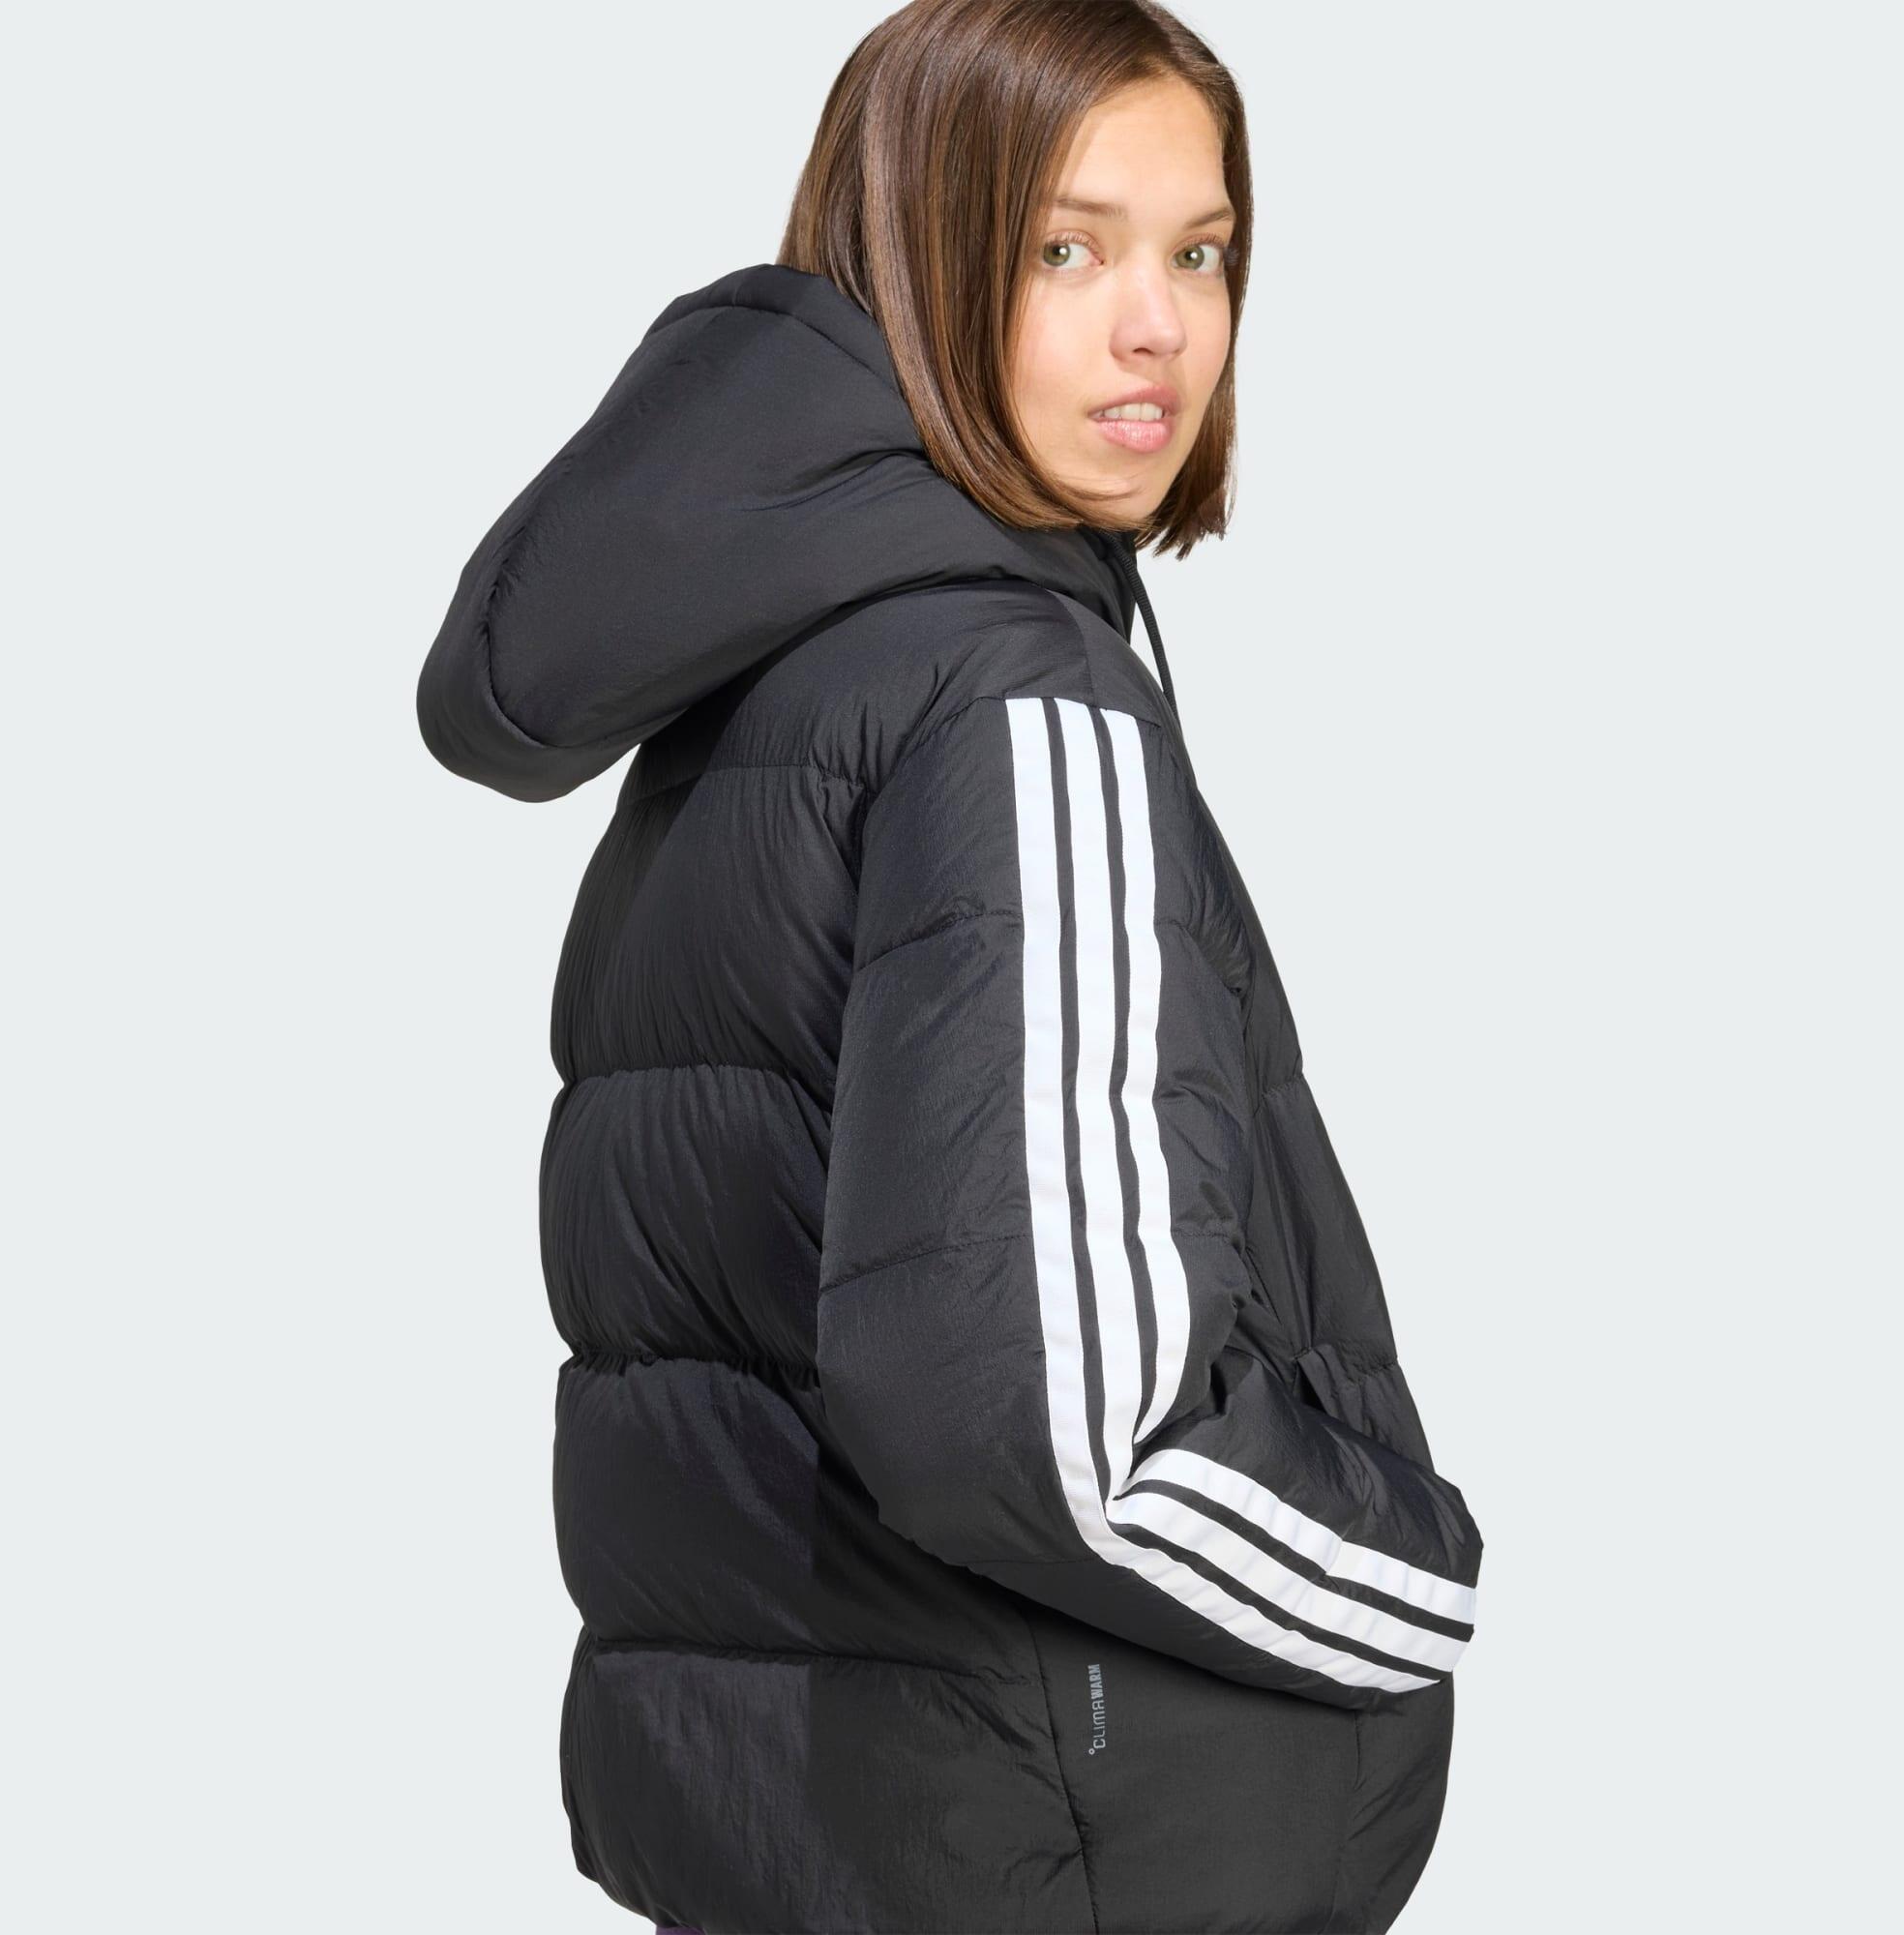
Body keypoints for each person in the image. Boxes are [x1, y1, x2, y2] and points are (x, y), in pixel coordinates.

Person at [416, 2, 1483, 1929]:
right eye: (1066, 248)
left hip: (824, 1818)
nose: (1157, 327)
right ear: (913, 258)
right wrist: (1403, 1582)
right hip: (1069, 1844)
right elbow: (1057, 1441)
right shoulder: (1015, 702)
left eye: (1201, 252)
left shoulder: (780, 664)